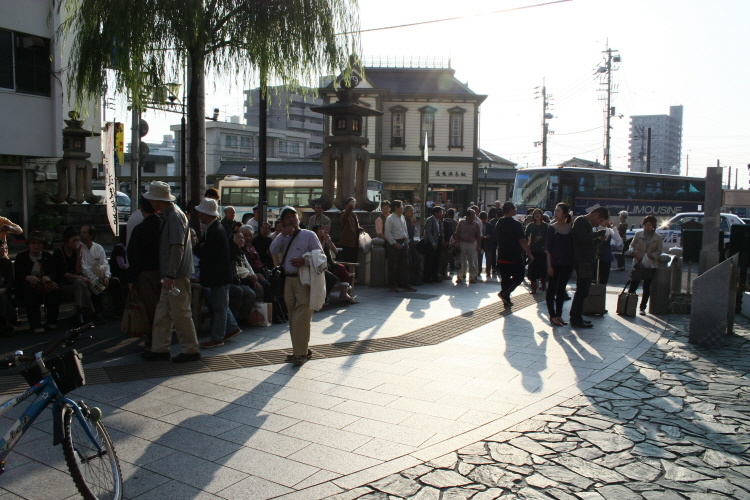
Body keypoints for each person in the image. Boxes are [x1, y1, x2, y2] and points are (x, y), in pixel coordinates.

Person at [141, 181, 201, 363]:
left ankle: (190, 349)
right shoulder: (173, 214)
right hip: (174, 273)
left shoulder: (173, 216)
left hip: (176, 274)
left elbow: (177, 247)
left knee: (179, 312)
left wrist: (170, 274)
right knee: (164, 311)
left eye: (152, 198)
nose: (150, 201)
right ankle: (160, 348)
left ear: (158, 200)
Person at [269, 207, 325, 365]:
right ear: (282, 222)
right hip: (288, 279)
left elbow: (321, 257)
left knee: (301, 315)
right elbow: (272, 249)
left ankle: (299, 353)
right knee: (293, 316)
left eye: (293, 216)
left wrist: (304, 261)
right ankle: (301, 349)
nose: (291, 219)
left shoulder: (309, 235)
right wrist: (282, 234)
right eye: (287, 217)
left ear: (298, 218)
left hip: (304, 279)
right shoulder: (284, 236)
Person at [193, 198, 242, 348]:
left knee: (219, 307)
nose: (199, 215)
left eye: (201, 212)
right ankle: (232, 328)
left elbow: (209, 254)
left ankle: (217, 337)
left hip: (218, 275)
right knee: (221, 304)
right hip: (220, 274)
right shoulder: (216, 228)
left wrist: (199, 247)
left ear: (206, 214)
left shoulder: (214, 231)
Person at [127, 197, 161, 350]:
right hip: (165, 272)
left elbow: (133, 255)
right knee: (164, 307)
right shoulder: (163, 226)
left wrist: (132, 278)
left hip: (145, 273)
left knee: (150, 308)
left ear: (142, 209)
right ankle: (163, 338)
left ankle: (154, 340)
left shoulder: (139, 229)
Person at [569, 206, 610, 328]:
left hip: (586, 260)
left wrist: (599, 239)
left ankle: (578, 316)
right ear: (596, 215)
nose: (598, 224)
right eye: (600, 221)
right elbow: (583, 238)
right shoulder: (581, 221)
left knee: (584, 289)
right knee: (582, 289)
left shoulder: (585, 223)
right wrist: (597, 233)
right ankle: (575, 318)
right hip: (582, 260)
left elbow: (589, 242)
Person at [16, 232, 60, 333]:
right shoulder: (21, 257)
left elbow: (54, 272)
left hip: (44, 284)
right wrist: (28, 277)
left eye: (39, 243)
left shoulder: (47, 255)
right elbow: (18, 276)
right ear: (29, 244)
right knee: (30, 295)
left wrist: (48, 277)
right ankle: (35, 325)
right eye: (33, 243)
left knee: (54, 294)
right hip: (27, 285)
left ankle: (51, 321)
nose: (36, 245)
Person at [80, 225, 123, 322]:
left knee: (115, 282)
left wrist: (106, 276)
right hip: (88, 277)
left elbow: (104, 263)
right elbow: (83, 267)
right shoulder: (80, 248)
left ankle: (119, 311)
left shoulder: (98, 248)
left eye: (84, 233)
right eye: (81, 233)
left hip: (100, 275)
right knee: (94, 285)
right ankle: (97, 313)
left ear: (91, 235)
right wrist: (94, 278)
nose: (82, 235)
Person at [52, 227, 94, 326]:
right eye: (74, 240)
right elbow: (62, 273)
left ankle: (80, 311)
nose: (76, 243)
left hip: (75, 280)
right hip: (63, 281)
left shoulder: (76, 252)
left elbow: (78, 270)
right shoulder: (59, 252)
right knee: (80, 283)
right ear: (67, 241)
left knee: (81, 284)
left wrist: (79, 256)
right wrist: (79, 278)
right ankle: (87, 312)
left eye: (78, 240)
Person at [495, 202, 534, 306]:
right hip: (514, 255)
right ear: (511, 210)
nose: (516, 210)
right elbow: (522, 241)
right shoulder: (516, 224)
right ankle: (504, 294)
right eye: (514, 208)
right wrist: (529, 254)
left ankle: (506, 299)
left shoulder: (499, 222)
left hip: (502, 254)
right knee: (519, 276)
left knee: (505, 279)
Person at [627, 215, 663, 315]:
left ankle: (642, 307)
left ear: (653, 226)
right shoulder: (638, 234)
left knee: (647, 286)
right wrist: (633, 252)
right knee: (634, 283)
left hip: (650, 264)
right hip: (638, 262)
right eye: (645, 225)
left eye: (649, 225)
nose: (647, 227)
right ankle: (629, 304)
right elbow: (631, 245)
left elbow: (659, 251)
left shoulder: (657, 237)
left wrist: (651, 255)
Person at [545, 203, 574, 327]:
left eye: (558, 211)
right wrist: (549, 266)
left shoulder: (569, 228)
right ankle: (552, 316)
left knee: (562, 289)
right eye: (555, 211)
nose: (555, 213)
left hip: (567, 263)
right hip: (554, 263)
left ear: (565, 214)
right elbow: (548, 249)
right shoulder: (552, 228)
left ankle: (559, 314)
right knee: (551, 289)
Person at [313, 224, 357, 304]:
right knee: (345, 273)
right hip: (322, 265)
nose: (322, 231)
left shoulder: (325, 240)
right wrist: (323, 241)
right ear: (315, 231)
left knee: (342, 268)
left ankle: (344, 293)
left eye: (323, 229)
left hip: (330, 263)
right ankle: (344, 293)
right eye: (320, 229)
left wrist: (329, 241)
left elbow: (336, 251)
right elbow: (320, 253)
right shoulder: (314, 241)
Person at [230, 231, 263, 323]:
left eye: (242, 238)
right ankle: (242, 318)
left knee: (261, 288)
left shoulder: (241, 252)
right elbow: (237, 269)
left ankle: (252, 316)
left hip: (248, 278)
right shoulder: (231, 252)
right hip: (238, 280)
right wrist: (249, 276)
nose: (242, 240)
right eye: (239, 238)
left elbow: (248, 266)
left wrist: (254, 278)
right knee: (249, 293)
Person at [384, 200, 417, 292]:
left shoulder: (402, 217)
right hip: (394, 243)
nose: (402, 208)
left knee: (405, 265)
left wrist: (407, 242)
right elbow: (387, 233)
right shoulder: (390, 218)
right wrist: (394, 243)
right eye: (401, 206)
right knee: (393, 265)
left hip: (403, 242)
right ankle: (393, 285)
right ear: (396, 208)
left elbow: (405, 231)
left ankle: (406, 284)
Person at [453, 209, 481, 284]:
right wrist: (456, 242)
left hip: (472, 244)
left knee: (472, 262)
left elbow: (478, 236)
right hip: (462, 243)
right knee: (461, 261)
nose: (474, 216)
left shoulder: (476, 224)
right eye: (473, 214)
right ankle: (460, 277)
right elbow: (457, 233)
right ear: (468, 216)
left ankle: (472, 277)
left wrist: (478, 245)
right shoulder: (461, 223)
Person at [525, 208, 549, 294]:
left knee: (543, 269)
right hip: (533, 251)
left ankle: (543, 285)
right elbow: (525, 236)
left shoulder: (546, 226)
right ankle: (534, 288)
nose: (537, 215)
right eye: (535, 213)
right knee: (533, 270)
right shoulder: (531, 226)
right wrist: (526, 248)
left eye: (539, 213)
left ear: (541, 215)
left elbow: (549, 238)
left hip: (543, 251)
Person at [594, 219, 622, 286]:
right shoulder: (595, 229)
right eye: (604, 220)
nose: (606, 222)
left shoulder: (609, 230)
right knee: (595, 276)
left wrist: (614, 227)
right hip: (596, 256)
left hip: (606, 255)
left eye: (607, 220)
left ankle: (601, 291)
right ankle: (594, 292)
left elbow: (617, 238)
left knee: (604, 277)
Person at [422, 206, 444, 283]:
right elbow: (428, 232)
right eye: (440, 212)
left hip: (438, 243)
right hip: (431, 244)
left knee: (436, 261)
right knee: (429, 261)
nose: (442, 214)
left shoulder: (439, 221)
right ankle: (427, 277)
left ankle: (435, 276)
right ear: (435, 213)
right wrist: (433, 242)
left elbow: (439, 231)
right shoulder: (430, 220)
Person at [339, 197, 361, 264]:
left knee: (354, 260)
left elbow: (357, 225)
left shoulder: (354, 214)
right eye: (351, 203)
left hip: (355, 242)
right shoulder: (344, 213)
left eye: (354, 204)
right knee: (347, 260)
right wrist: (350, 207)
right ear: (346, 205)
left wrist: (360, 229)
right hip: (347, 242)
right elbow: (345, 216)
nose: (353, 205)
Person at [404, 204, 422, 286]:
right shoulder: (405, 220)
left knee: (416, 261)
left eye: (413, 210)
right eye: (411, 210)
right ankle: (411, 280)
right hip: (407, 242)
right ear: (406, 212)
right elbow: (409, 234)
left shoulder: (411, 219)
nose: (412, 212)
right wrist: (412, 224)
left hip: (412, 242)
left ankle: (416, 278)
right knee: (410, 262)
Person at [0, 240, 15, 336]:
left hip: (4, 290)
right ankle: (7, 322)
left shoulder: (6, 262)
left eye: (5, 248)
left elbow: (10, 281)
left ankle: (5, 323)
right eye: (1, 249)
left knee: (2, 297)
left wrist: (3, 289)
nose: (4, 250)